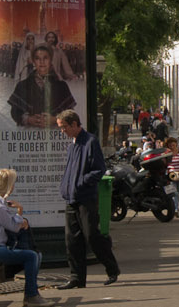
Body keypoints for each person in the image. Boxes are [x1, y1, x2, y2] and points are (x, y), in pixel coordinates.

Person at [54, 110, 119, 289]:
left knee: (92, 236)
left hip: (85, 198)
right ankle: (76, 278)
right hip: (71, 198)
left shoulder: (90, 142)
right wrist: (66, 187)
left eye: (64, 127)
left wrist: (81, 183)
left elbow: (99, 169)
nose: (62, 131)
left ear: (74, 124)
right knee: (72, 240)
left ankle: (112, 268)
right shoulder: (72, 144)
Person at [0, 169, 50, 305]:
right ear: (8, 185)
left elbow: (13, 223)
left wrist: (20, 214)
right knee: (31, 256)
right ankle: (31, 295)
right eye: (12, 183)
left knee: (35, 255)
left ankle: (31, 293)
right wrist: (21, 217)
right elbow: (14, 227)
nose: (14, 186)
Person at [8, 46, 76, 128]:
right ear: (33, 61)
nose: (42, 62)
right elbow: (15, 112)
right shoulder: (22, 85)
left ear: (50, 60)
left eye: (45, 58)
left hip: (55, 136)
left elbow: (70, 113)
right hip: (29, 136)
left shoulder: (61, 86)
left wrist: (55, 119)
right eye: (37, 58)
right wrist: (28, 119)